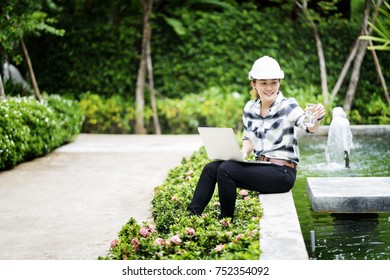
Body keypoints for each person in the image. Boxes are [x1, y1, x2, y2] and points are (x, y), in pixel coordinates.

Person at [187, 55, 325, 220]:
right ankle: (191, 216)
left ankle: (225, 221)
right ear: (254, 84)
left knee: (226, 169)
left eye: (273, 82)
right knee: (211, 168)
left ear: (279, 83)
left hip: (283, 173)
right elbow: (248, 138)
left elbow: (309, 127)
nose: (269, 88)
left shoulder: (288, 106)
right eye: (263, 83)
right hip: (261, 166)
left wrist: (315, 118)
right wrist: (243, 152)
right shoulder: (250, 108)